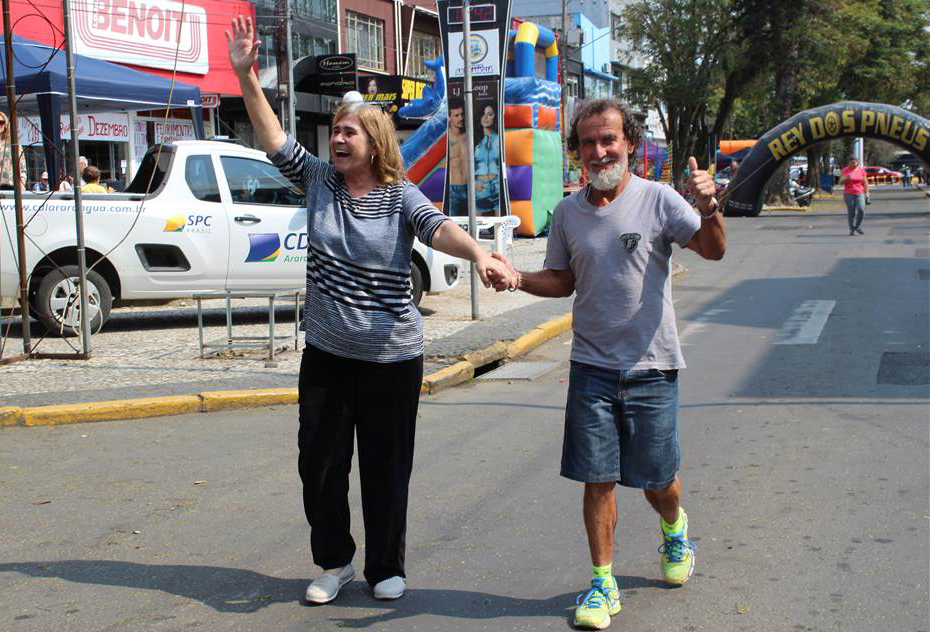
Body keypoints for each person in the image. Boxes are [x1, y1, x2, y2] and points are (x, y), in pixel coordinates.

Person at [227, 15, 515, 605]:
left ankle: (386, 566)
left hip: (391, 359)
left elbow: (438, 230)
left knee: (386, 470)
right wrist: (244, 75)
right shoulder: (317, 182)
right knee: (320, 467)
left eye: (349, 132)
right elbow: (274, 138)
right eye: (334, 129)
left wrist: (482, 253)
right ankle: (334, 563)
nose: (337, 138)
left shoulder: (398, 194)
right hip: (328, 357)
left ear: (374, 142)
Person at [491, 98, 725, 630]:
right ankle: (602, 584)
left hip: (654, 368)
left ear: (629, 145)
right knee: (597, 481)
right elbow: (562, 280)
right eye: (589, 143)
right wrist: (518, 278)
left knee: (657, 482)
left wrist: (710, 207)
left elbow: (713, 250)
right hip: (592, 370)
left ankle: (675, 529)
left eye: (609, 140)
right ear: (577, 152)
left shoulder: (660, 200)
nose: (599, 151)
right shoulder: (568, 213)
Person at [473, 103, 501, 214]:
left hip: (496, 185)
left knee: (497, 223)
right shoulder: (474, 139)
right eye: (483, 114)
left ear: (495, 117)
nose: (485, 118)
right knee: (476, 223)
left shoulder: (499, 139)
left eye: (490, 114)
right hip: (479, 186)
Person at [447, 98, 468, 216]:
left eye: (462, 114)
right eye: (456, 115)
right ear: (449, 117)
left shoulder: (469, 135)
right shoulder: (446, 138)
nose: (461, 118)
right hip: (454, 189)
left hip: (470, 188)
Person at [839, 158, 869, 236]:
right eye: (851, 163)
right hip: (848, 193)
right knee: (851, 212)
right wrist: (846, 178)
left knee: (861, 210)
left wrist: (867, 193)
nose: (853, 165)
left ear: (857, 163)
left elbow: (865, 182)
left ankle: (857, 226)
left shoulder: (861, 171)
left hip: (860, 192)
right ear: (849, 163)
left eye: (854, 163)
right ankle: (852, 229)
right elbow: (840, 182)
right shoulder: (845, 170)